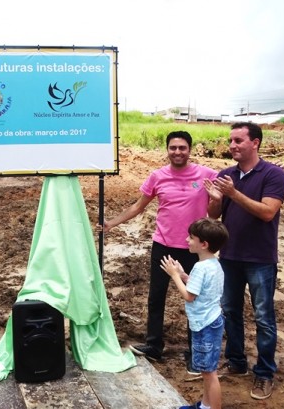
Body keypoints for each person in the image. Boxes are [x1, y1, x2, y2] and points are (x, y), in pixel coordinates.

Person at [101, 131, 217, 374]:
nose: (177, 152)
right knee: (156, 297)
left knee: (194, 301)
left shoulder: (206, 174)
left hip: (192, 248)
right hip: (163, 246)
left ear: (190, 149)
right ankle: (154, 345)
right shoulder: (157, 176)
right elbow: (138, 206)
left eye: (182, 148)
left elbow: (230, 188)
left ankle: (194, 353)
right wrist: (112, 223)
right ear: (167, 149)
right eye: (173, 147)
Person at [205, 122, 284, 400]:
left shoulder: (273, 174)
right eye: (231, 141)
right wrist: (217, 199)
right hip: (229, 256)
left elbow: (267, 212)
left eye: (239, 140)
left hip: (260, 258)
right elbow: (214, 215)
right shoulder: (226, 175)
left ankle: (264, 374)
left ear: (255, 143)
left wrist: (233, 194)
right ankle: (237, 363)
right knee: (230, 311)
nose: (232, 145)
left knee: (264, 317)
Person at [161, 217, 229, 409]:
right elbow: (202, 287)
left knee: (209, 373)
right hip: (213, 320)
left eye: (191, 238)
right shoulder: (214, 264)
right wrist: (183, 275)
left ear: (204, 244)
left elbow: (189, 296)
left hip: (204, 325)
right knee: (208, 370)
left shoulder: (200, 267)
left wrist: (174, 276)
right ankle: (205, 406)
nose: (187, 241)